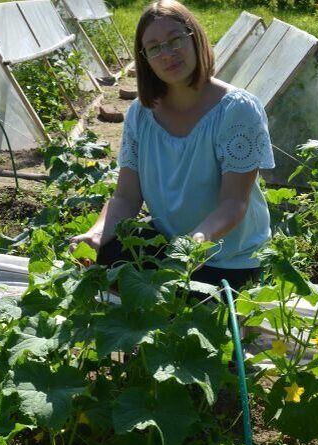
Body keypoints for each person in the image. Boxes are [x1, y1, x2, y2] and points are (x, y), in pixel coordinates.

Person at [70, 0, 274, 290]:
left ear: (195, 39)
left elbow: (234, 203)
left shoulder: (236, 110)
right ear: (145, 58)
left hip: (226, 256)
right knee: (102, 258)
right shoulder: (141, 115)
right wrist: (95, 234)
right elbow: (126, 198)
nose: (167, 54)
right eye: (154, 47)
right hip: (168, 244)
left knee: (178, 313)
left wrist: (194, 245)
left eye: (175, 40)